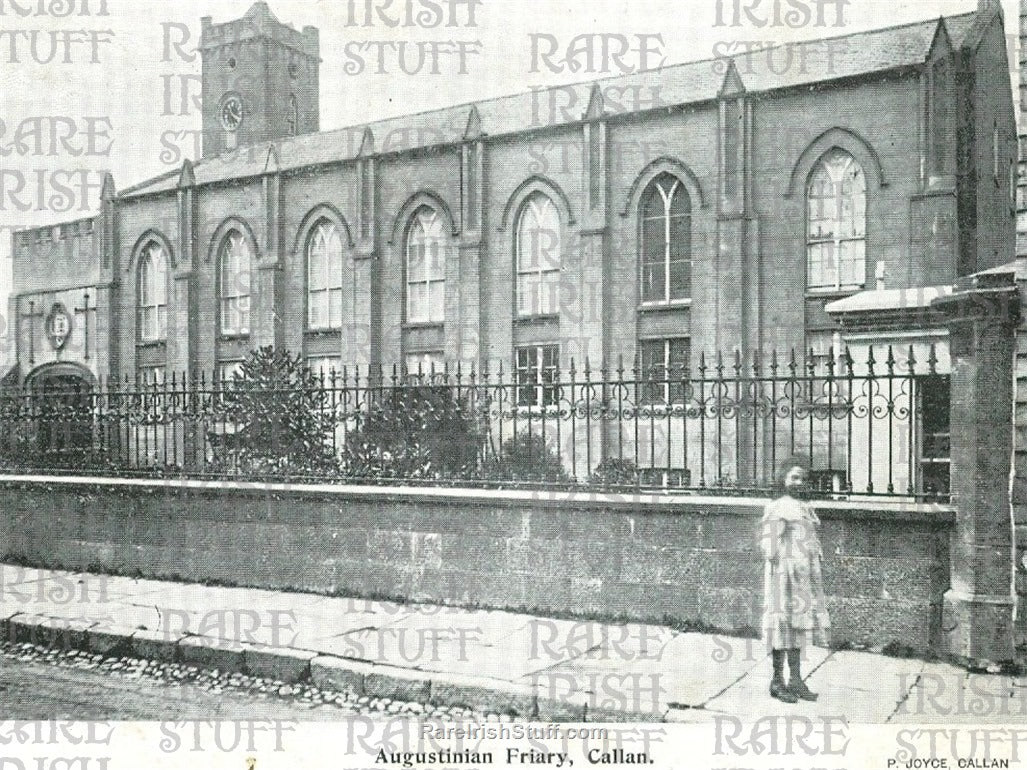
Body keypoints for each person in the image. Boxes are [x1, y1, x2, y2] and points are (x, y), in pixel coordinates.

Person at [760, 456, 830, 703]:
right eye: (794, 477)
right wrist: (781, 563)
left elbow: (811, 541)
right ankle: (777, 681)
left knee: (798, 627)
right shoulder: (779, 507)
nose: (799, 482)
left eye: (803, 478)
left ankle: (796, 680)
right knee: (781, 626)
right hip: (783, 576)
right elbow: (769, 545)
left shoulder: (805, 508)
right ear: (783, 479)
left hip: (802, 577)